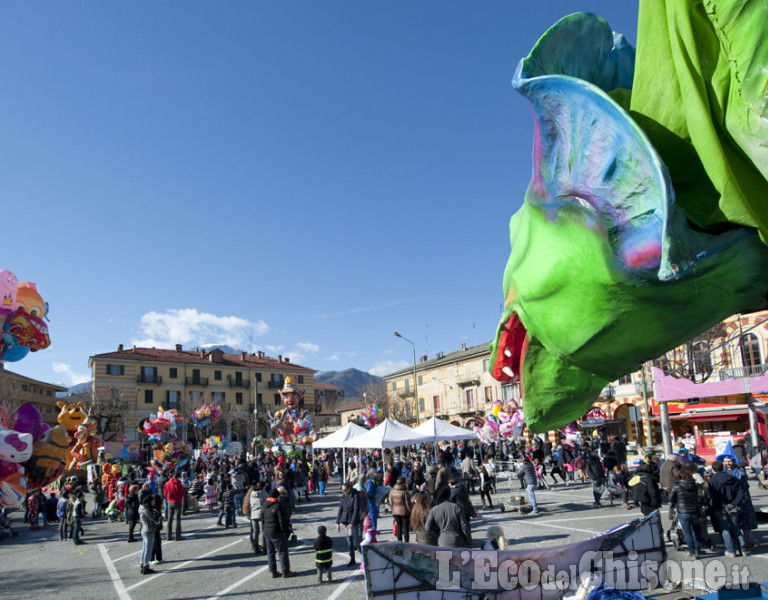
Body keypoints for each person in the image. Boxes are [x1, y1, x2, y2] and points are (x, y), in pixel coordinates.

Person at [708, 460, 747, 558]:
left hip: (720, 507)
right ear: (723, 467)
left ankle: (730, 550)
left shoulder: (712, 480)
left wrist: (724, 504)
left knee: (725, 528)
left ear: (713, 469)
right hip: (733, 506)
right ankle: (742, 549)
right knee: (736, 527)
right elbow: (740, 493)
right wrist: (734, 503)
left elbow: (714, 495)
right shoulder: (733, 478)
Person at [669, 466, 708, 557]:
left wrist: (677, 501)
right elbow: (700, 495)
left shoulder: (676, 486)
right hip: (694, 510)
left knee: (687, 532)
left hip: (683, 511)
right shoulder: (694, 485)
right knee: (697, 531)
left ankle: (692, 551)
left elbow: (671, 498)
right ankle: (698, 549)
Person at [262, 489, 294, 578]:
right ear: (277, 496)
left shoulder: (265, 504)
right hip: (276, 531)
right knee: (282, 551)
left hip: (267, 531)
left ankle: (273, 571)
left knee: (270, 552)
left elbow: (262, 517)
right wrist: (283, 531)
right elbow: (281, 520)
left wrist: (264, 528)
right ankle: (285, 571)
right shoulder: (277, 506)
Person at [139, 495, 161, 575]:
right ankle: (145, 566)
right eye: (152, 501)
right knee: (148, 549)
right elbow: (152, 518)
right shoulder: (145, 510)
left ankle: (142, 564)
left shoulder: (142, 508)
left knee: (144, 548)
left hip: (145, 530)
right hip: (148, 530)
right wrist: (157, 516)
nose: (154, 503)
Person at [163, 470, 186, 541]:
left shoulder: (167, 483)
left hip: (169, 501)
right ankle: (178, 535)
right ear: (178, 477)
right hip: (177, 502)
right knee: (177, 519)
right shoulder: (179, 484)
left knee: (169, 519)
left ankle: (168, 536)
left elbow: (165, 493)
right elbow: (182, 493)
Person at [247, 481, 267, 554]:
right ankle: (265, 548)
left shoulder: (252, 494)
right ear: (263, 487)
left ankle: (255, 547)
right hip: (262, 513)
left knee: (255, 531)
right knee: (263, 531)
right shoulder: (265, 494)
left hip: (254, 514)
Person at [389, 476, 411, 542]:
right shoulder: (405, 492)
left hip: (395, 512)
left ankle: (399, 542)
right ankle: (407, 543)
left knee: (399, 527)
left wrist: (392, 510)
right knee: (406, 529)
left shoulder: (392, 491)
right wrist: (410, 511)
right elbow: (408, 504)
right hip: (404, 512)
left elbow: (390, 502)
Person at [150, 494, 164, 565]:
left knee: (157, 542)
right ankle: (152, 558)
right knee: (154, 543)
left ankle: (159, 558)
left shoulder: (156, 508)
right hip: (153, 528)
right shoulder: (154, 509)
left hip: (155, 527)